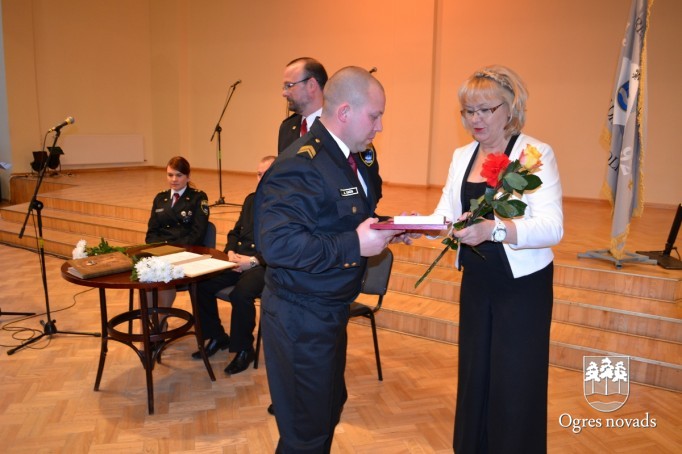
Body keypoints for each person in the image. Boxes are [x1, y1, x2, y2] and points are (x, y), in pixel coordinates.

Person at [255, 66, 410, 453]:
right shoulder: (300, 164)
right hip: (299, 317)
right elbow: (277, 246)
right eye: (375, 116)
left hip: (328, 310)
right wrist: (354, 245)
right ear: (344, 112)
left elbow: (344, 217)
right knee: (305, 434)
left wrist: (386, 229)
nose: (380, 127)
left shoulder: (349, 158)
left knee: (326, 413)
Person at [430, 65, 563, 453]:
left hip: (521, 287)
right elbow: (446, 214)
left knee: (515, 380)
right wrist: (415, 227)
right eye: (469, 110)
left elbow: (552, 227)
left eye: (486, 109)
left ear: (510, 108)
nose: (476, 119)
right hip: (477, 281)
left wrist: (495, 230)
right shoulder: (462, 156)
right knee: (475, 375)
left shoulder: (534, 154)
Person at [191, 156, 275, 375]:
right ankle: (217, 336)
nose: (261, 178)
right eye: (259, 174)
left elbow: (281, 245)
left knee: (241, 294)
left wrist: (252, 261)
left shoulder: (285, 204)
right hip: (237, 259)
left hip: (264, 265)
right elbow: (235, 231)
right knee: (201, 284)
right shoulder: (251, 200)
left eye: (266, 174)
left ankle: (245, 349)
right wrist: (230, 252)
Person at [279, 57, 382, 202]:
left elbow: (370, 185)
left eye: (289, 85)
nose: (284, 93)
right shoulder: (287, 128)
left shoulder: (344, 127)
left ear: (311, 85)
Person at [145, 156, 210, 310]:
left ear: (188, 176)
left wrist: (173, 252)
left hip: (187, 251)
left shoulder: (197, 197)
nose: (174, 179)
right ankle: (147, 320)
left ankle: (161, 318)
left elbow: (198, 233)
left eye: (179, 175)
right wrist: (157, 250)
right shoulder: (160, 198)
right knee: (145, 277)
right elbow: (151, 232)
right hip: (161, 252)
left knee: (164, 276)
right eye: (170, 175)